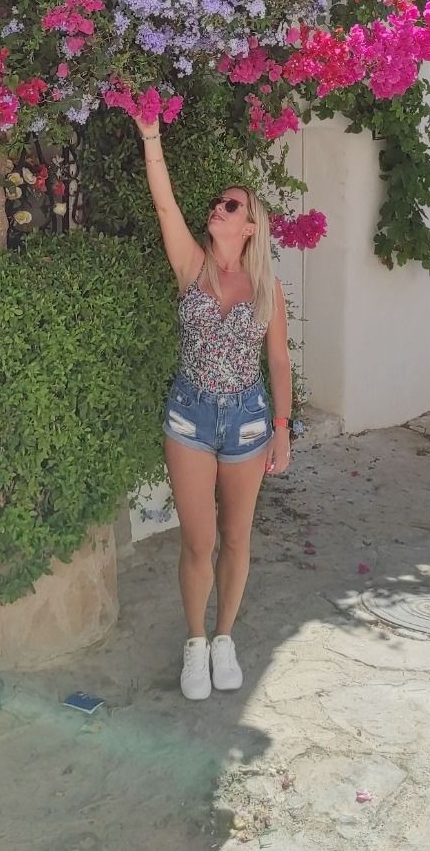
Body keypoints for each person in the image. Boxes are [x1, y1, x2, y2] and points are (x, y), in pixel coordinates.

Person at [136, 116, 293, 701]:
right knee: (198, 542)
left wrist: (282, 428)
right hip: (191, 419)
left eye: (230, 205)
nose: (217, 210)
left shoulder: (267, 287)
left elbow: (278, 360)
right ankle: (196, 642)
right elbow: (165, 206)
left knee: (237, 538)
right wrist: (151, 136)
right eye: (217, 203)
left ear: (250, 226)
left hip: (248, 421)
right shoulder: (191, 265)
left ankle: (224, 637)